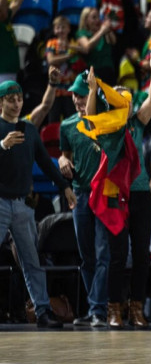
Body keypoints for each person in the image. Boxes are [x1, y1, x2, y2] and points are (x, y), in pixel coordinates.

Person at [84, 50, 151, 330]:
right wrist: (94, 90)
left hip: (140, 194)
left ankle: (137, 308)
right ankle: (113, 309)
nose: (127, 103)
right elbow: (89, 115)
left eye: (130, 99)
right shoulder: (105, 126)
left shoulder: (137, 124)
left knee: (142, 253)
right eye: (121, 99)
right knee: (117, 254)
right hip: (113, 194)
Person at [0, 80, 76, 329]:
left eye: (19, 97)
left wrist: (65, 187)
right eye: (10, 98)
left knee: (32, 260)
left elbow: (45, 162)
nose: (16, 102)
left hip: (21, 204)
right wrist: (2, 145)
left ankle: (42, 311)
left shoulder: (30, 130)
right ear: (1, 102)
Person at [58, 72, 108, 328]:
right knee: (86, 255)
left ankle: (99, 308)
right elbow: (65, 156)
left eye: (83, 94)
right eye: (75, 94)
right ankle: (95, 307)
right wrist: (62, 160)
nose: (78, 99)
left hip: (103, 193)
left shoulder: (104, 121)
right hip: (80, 193)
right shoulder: (66, 126)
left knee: (102, 253)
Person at [45, 16, 87, 122]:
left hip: (70, 89)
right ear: (54, 30)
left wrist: (70, 48)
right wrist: (69, 56)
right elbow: (51, 60)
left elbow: (84, 50)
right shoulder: (52, 43)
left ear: (68, 29)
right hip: (55, 90)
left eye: (64, 27)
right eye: (58, 27)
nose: (61, 30)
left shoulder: (73, 43)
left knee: (71, 119)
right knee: (53, 119)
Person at [0, 0, 34, 82]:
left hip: (10, 71)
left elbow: (16, 2)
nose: (6, 8)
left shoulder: (5, 19)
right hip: (2, 72)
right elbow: (1, 6)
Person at [76, 7, 116, 86]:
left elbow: (113, 41)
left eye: (98, 17)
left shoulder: (104, 31)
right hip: (93, 72)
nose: (97, 20)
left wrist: (107, 28)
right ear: (86, 20)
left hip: (108, 72)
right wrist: (102, 31)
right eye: (94, 17)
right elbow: (87, 46)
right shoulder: (82, 33)